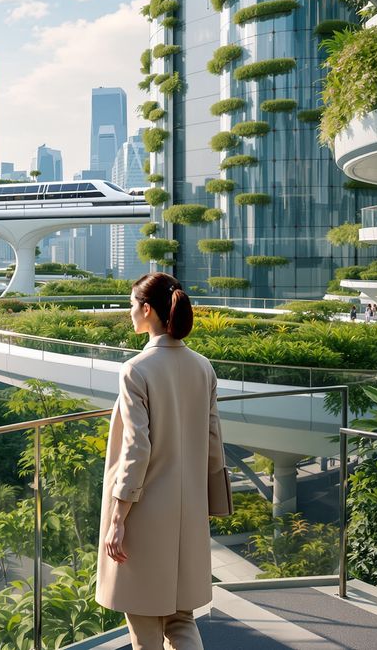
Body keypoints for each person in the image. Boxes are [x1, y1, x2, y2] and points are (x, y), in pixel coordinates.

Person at [96, 272, 228, 650]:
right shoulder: (203, 367)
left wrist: (118, 519)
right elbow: (213, 441)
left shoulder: (136, 369)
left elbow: (137, 449)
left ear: (148, 309)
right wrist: (212, 504)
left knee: (145, 632)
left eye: (132, 305)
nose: (129, 313)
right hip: (188, 516)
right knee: (181, 621)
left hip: (144, 513)